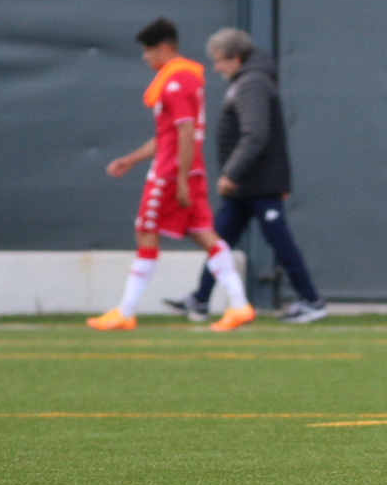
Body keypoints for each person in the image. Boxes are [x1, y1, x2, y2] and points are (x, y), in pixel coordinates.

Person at [88, 18, 255, 332]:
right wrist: (132, 159)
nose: (145, 57)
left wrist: (180, 179)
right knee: (203, 233)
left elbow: (185, 132)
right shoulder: (184, 77)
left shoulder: (175, 81)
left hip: (171, 172)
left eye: (148, 50)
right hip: (188, 168)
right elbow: (169, 134)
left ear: (164, 48)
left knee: (145, 230)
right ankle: (239, 304)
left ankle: (126, 311)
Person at [163, 28, 327, 324]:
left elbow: (255, 134)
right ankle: (200, 299)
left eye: (220, 60)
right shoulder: (248, 81)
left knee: (278, 240)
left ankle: (311, 300)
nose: (216, 68)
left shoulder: (252, 84)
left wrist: (231, 173)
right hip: (247, 185)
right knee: (218, 239)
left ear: (236, 57)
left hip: (259, 183)